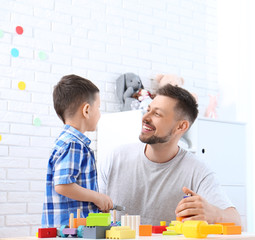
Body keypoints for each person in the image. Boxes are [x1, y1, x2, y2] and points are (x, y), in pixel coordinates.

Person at [98, 84, 241, 225]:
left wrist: (214, 214)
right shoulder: (115, 158)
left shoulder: (197, 170)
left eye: (157, 114)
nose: (145, 118)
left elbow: (236, 220)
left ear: (181, 126)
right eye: (148, 110)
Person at [41, 74, 113, 227]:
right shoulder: (74, 144)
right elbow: (63, 185)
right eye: (98, 108)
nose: (100, 114)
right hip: (71, 229)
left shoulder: (65, 141)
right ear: (86, 110)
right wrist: (97, 197)